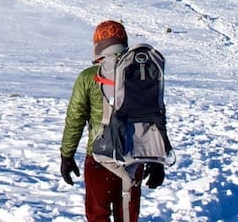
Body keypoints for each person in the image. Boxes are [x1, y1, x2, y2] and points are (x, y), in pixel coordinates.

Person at [61, 20, 165, 222]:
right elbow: (155, 115)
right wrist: (156, 160)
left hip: (99, 157)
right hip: (134, 155)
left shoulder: (89, 76)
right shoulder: (140, 73)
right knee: (127, 214)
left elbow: (75, 119)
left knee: (97, 214)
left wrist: (67, 155)